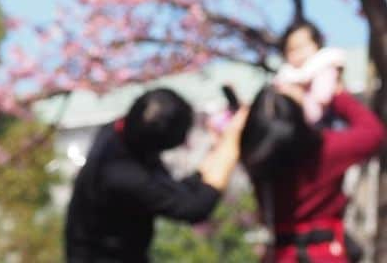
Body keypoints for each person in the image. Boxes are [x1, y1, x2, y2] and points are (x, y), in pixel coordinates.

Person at [64, 86, 249, 262]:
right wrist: (232, 143)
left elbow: (178, 191)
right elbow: (194, 207)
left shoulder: (119, 134)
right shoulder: (123, 176)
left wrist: (219, 148)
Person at [240, 82, 384, 262]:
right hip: (326, 253)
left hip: (282, 254)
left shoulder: (254, 159)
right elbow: (373, 133)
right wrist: (337, 93)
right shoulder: (326, 151)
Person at [275, 19, 347, 128]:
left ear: (317, 45)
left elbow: (322, 98)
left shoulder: (325, 67)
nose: (298, 54)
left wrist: (301, 99)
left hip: (326, 124)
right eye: (291, 50)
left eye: (302, 47)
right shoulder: (286, 76)